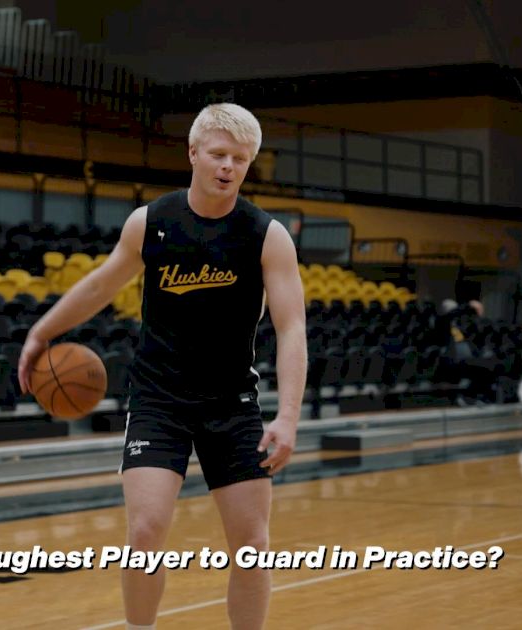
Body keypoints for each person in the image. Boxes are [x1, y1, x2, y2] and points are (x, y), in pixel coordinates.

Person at [17, 103, 307, 630]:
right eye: (218, 154)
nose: (228, 167)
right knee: (146, 533)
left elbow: (291, 329)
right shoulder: (152, 222)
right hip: (159, 401)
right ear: (193, 153)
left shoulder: (267, 236)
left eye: (240, 159)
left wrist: (287, 417)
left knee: (252, 543)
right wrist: (43, 332)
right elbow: (103, 283)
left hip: (232, 403)